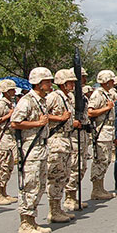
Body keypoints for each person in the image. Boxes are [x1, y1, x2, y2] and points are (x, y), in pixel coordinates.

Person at [10, 67, 53, 233]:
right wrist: (37, 124)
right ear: (38, 83)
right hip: (30, 149)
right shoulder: (27, 101)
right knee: (30, 185)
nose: (50, 85)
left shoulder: (41, 100)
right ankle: (25, 223)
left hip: (41, 147)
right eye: (47, 82)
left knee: (39, 185)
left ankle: (33, 220)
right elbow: (15, 122)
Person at [46, 69, 77, 223]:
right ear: (63, 83)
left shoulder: (67, 98)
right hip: (56, 140)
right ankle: (53, 210)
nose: (73, 85)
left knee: (64, 175)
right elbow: (42, 115)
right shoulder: (53, 97)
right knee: (55, 176)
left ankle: (58, 208)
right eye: (70, 82)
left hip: (66, 139)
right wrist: (60, 118)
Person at [63, 68, 90, 212]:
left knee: (81, 165)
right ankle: (69, 196)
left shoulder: (80, 95)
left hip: (83, 132)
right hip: (72, 134)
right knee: (74, 165)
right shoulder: (66, 97)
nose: (83, 80)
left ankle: (73, 195)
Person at [87, 70, 117, 200]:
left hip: (108, 129)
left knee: (106, 159)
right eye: (111, 80)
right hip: (101, 130)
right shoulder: (98, 94)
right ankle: (96, 189)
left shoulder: (107, 94)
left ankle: (101, 187)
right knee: (100, 159)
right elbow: (90, 112)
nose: (113, 83)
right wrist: (107, 108)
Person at [0, 79, 18, 206]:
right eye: (11, 89)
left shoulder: (9, 103)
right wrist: (8, 116)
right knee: (2, 166)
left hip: (9, 138)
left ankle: (4, 191)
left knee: (9, 166)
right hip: (2, 138)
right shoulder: (1, 104)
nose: (13, 91)